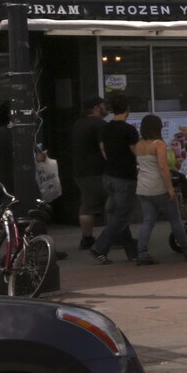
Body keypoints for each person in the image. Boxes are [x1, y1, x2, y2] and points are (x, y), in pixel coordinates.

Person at [92, 95, 145, 264]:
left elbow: (104, 151)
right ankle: (99, 247)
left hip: (108, 176)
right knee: (121, 216)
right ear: (127, 109)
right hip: (125, 177)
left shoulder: (105, 129)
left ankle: (132, 252)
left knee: (117, 214)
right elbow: (136, 152)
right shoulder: (129, 130)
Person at [133, 114, 187, 260]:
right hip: (159, 187)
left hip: (143, 188)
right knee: (174, 219)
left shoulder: (139, 145)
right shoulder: (159, 144)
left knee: (148, 221)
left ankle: (141, 252)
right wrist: (170, 188)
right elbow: (163, 167)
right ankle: (186, 249)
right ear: (158, 127)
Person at [69, 97, 107, 256]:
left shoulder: (77, 124)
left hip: (80, 171)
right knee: (115, 203)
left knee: (87, 205)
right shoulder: (100, 125)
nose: (106, 108)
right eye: (104, 106)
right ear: (97, 108)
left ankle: (86, 238)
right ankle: (118, 235)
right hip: (99, 171)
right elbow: (104, 148)